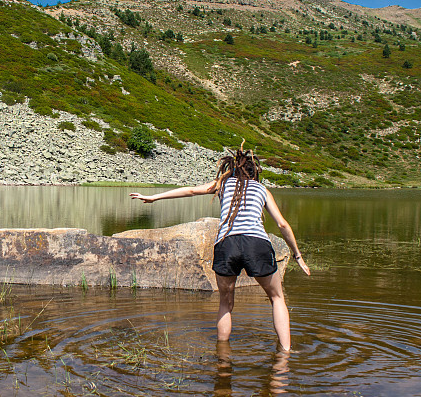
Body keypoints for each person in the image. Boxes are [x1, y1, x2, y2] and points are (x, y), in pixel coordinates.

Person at [130, 143, 310, 351]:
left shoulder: (222, 183)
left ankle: (222, 357)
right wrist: (297, 255)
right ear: (254, 173)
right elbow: (282, 224)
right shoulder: (262, 190)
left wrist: (154, 197)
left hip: (227, 244)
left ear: (231, 169)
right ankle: (285, 355)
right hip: (256, 243)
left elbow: (190, 191)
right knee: (277, 298)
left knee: (226, 303)